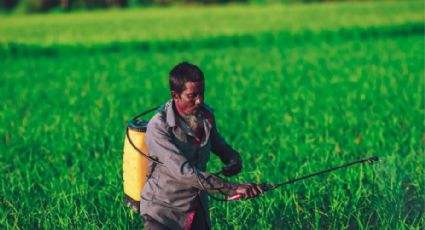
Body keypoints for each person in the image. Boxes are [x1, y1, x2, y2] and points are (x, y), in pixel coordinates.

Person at [140, 62, 263, 230]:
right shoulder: (159, 126)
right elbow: (184, 173)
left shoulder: (205, 115)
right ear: (175, 95)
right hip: (164, 213)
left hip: (197, 208)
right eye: (192, 95)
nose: (200, 100)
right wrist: (233, 188)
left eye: (202, 93)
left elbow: (219, 145)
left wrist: (234, 159)